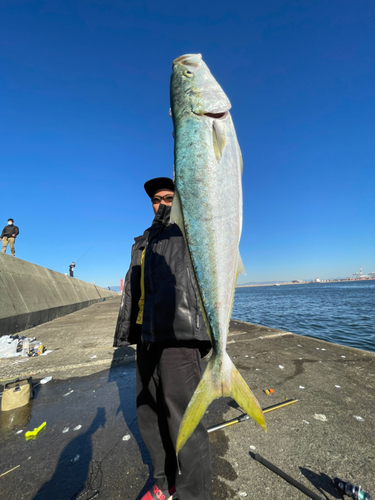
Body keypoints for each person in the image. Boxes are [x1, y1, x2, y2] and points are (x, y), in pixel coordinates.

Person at [114, 177, 212, 500]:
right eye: (157, 199)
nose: (163, 204)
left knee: (184, 422)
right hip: (146, 335)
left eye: (170, 198)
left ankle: (192, 495)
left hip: (180, 336)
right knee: (149, 414)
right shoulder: (143, 240)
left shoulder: (187, 232)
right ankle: (164, 481)